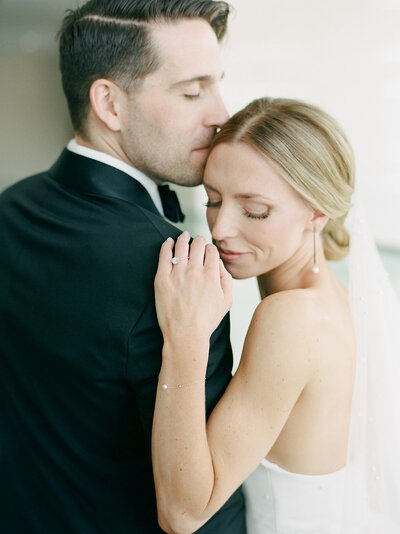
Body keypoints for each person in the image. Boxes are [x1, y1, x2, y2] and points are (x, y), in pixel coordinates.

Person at [0, 1, 248, 533]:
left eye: (217, 84)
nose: (222, 114)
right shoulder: (178, 273)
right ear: (109, 104)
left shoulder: (10, 207)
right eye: (192, 90)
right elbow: (205, 508)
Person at [152, 97, 400, 533]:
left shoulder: (290, 318)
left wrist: (184, 338)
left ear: (318, 213)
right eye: (212, 200)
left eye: (255, 210)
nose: (221, 228)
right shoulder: (340, 304)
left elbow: (183, 514)